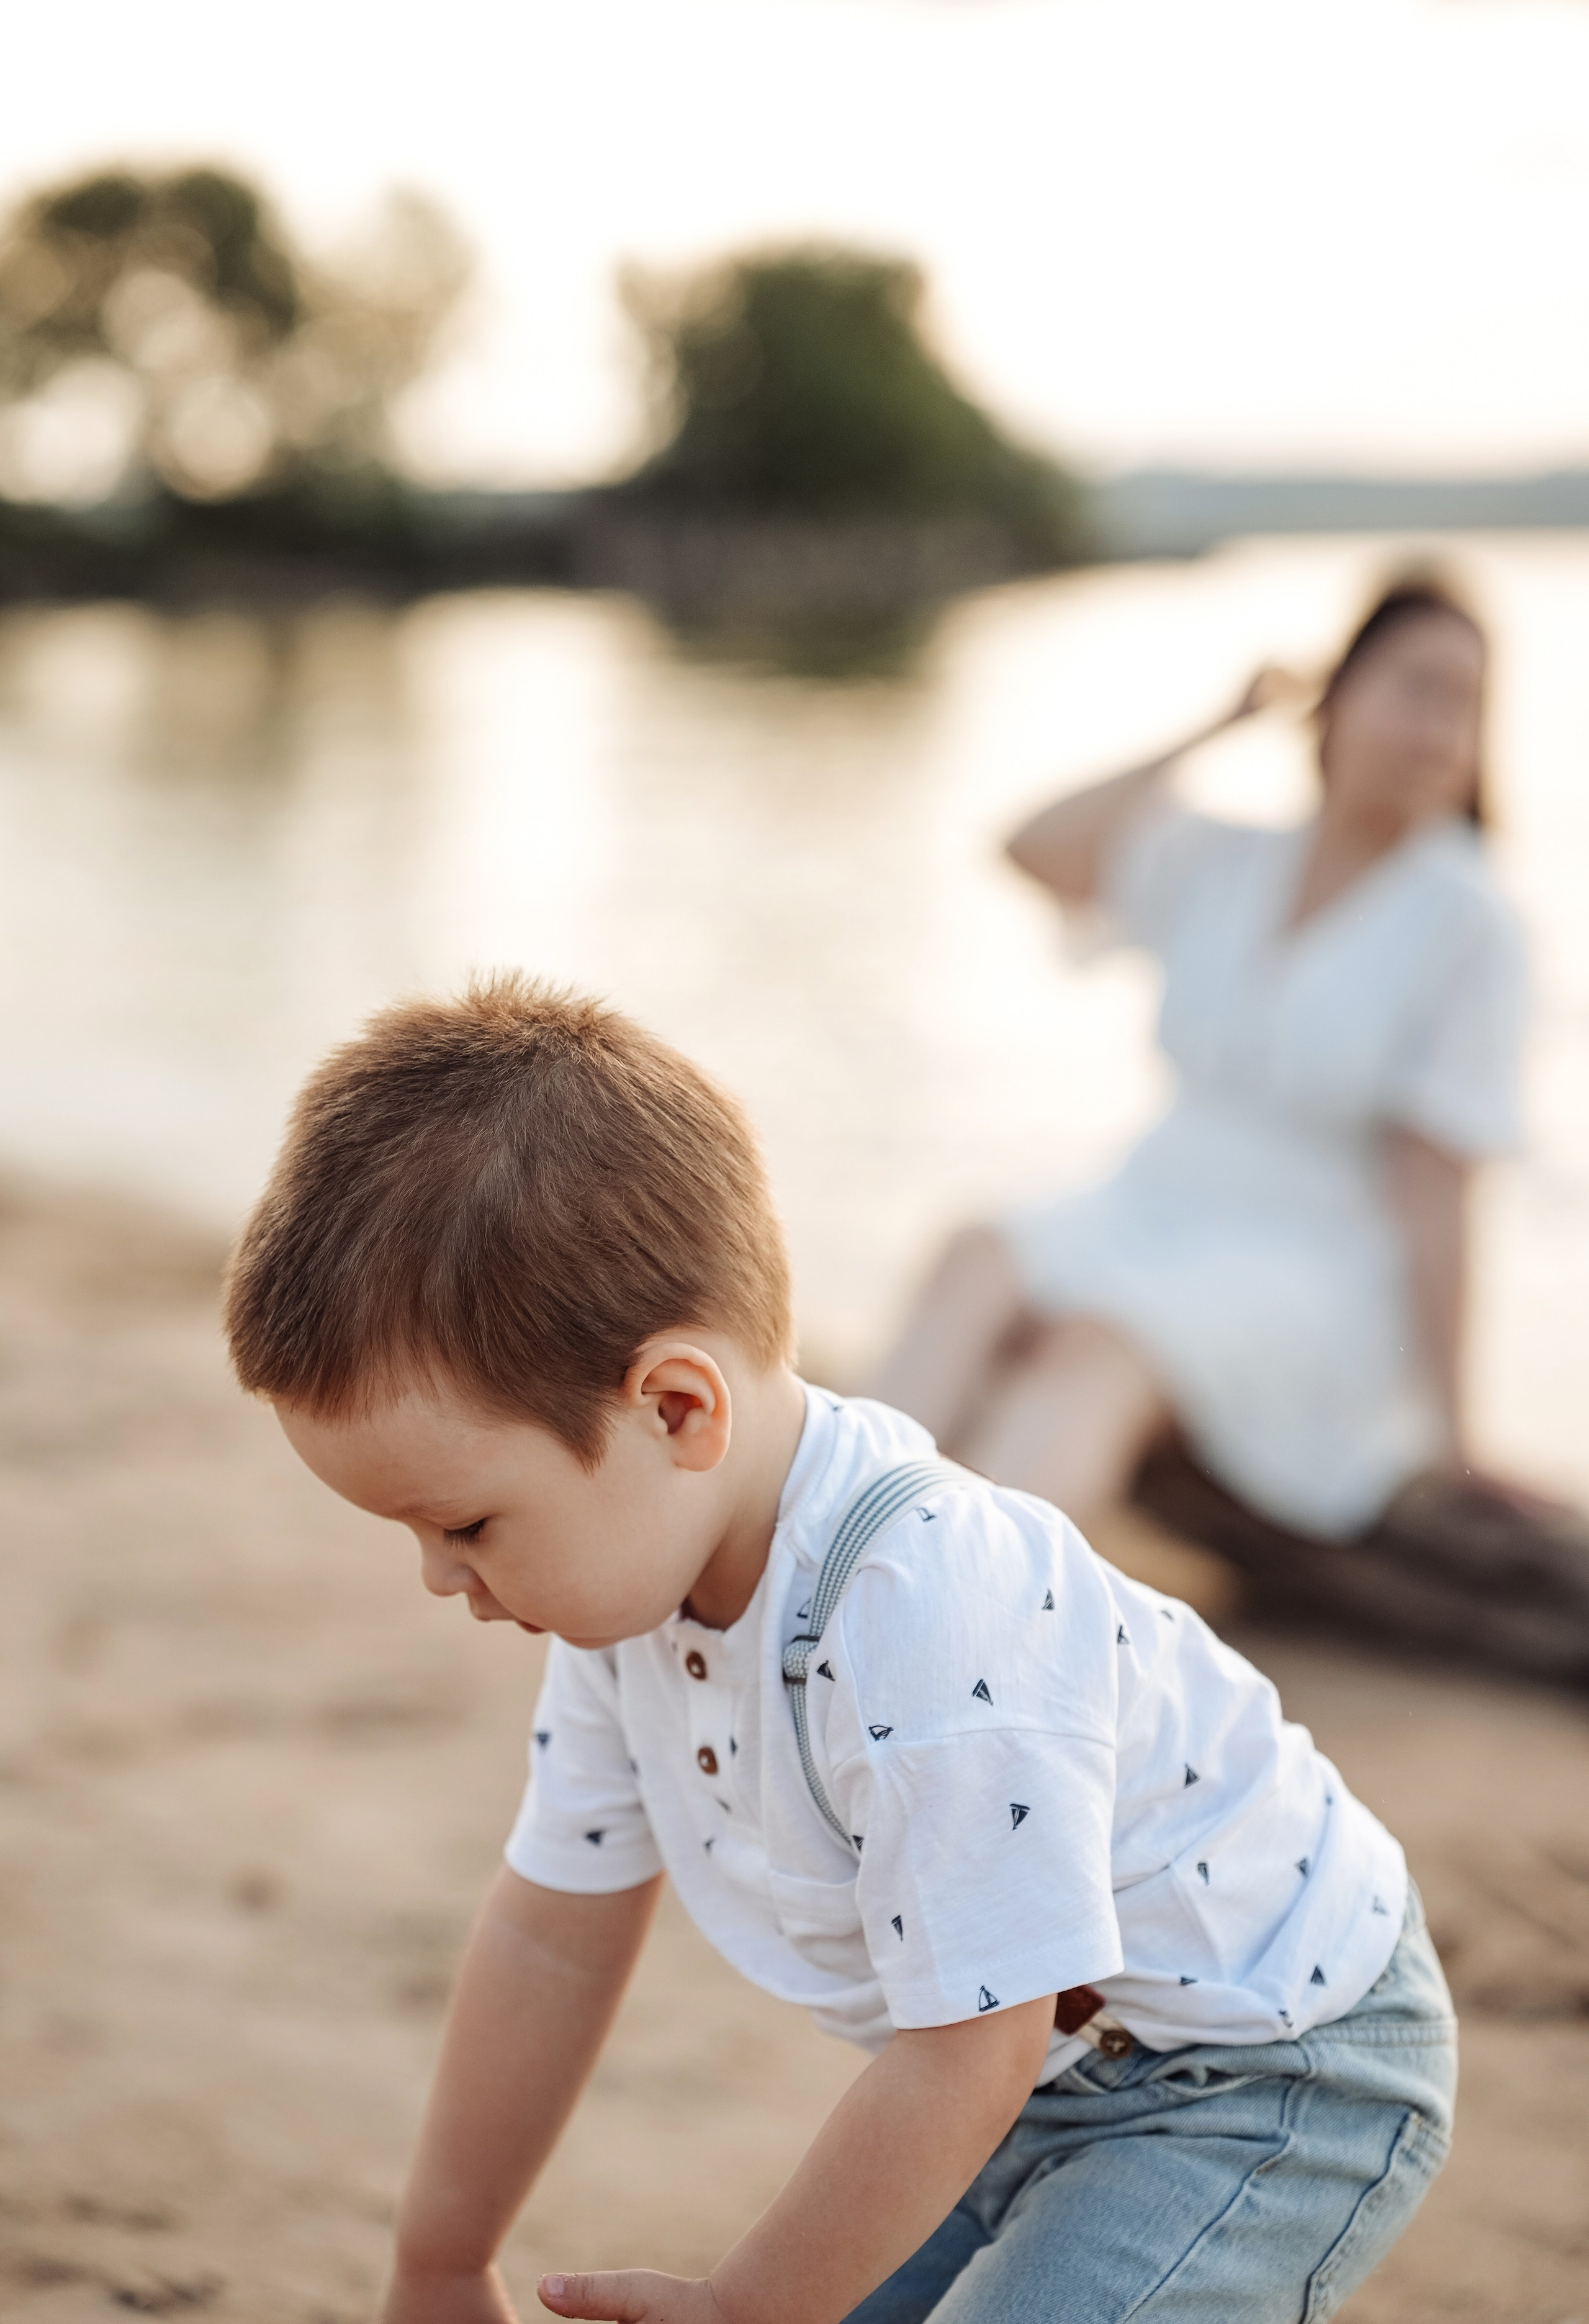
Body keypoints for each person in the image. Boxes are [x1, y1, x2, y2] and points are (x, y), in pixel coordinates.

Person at [225, 975, 1454, 2324]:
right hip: (1020, 2070)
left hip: (1260, 2065)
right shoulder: (622, 1603)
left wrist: (747, 2307)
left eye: (464, 1523)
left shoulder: (924, 1617)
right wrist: (439, 2259)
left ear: (675, 1408)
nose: (438, 1577)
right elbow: (549, 1937)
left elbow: (967, 2054)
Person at [870, 575, 1589, 1678]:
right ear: (1338, 696)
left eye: (1467, 705)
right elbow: (1030, 845)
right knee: (977, 1252)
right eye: (1416, 690)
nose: (1440, 730)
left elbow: (1439, 1190)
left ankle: (933, 1633)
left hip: (1320, 1265)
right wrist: (1220, 724)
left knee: (1096, 1346)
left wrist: (1454, 1435)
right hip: (1154, 1198)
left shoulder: (1468, 919)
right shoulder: (1230, 859)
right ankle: (830, 1549)